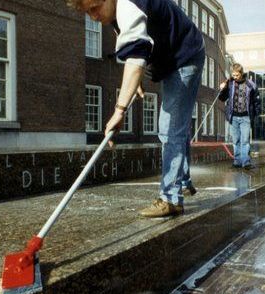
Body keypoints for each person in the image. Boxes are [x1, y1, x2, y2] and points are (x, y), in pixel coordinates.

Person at [68, 0, 204, 218]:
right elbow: (130, 42)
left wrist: (119, 110)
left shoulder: (129, 4)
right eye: (87, 13)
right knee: (177, 125)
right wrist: (136, 79)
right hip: (169, 56)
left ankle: (171, 198)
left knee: (169, 128)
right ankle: (183, 180)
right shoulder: (115, 11)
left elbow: (136, 57)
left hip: (185, 55)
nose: (92, 17)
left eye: (94, 9)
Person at [218, 64, 259, 168]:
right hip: (233, 117)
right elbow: (222, 99)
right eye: (233, 75)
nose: (235, 77)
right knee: (235, 140)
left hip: (246, 117)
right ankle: (237, 161)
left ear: (241, 73)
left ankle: (246, 162)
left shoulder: (250, 84)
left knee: (245, 140)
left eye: (237, 75)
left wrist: (255, 114)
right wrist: (222, 89)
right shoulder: (230, 83)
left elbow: (256, 101)